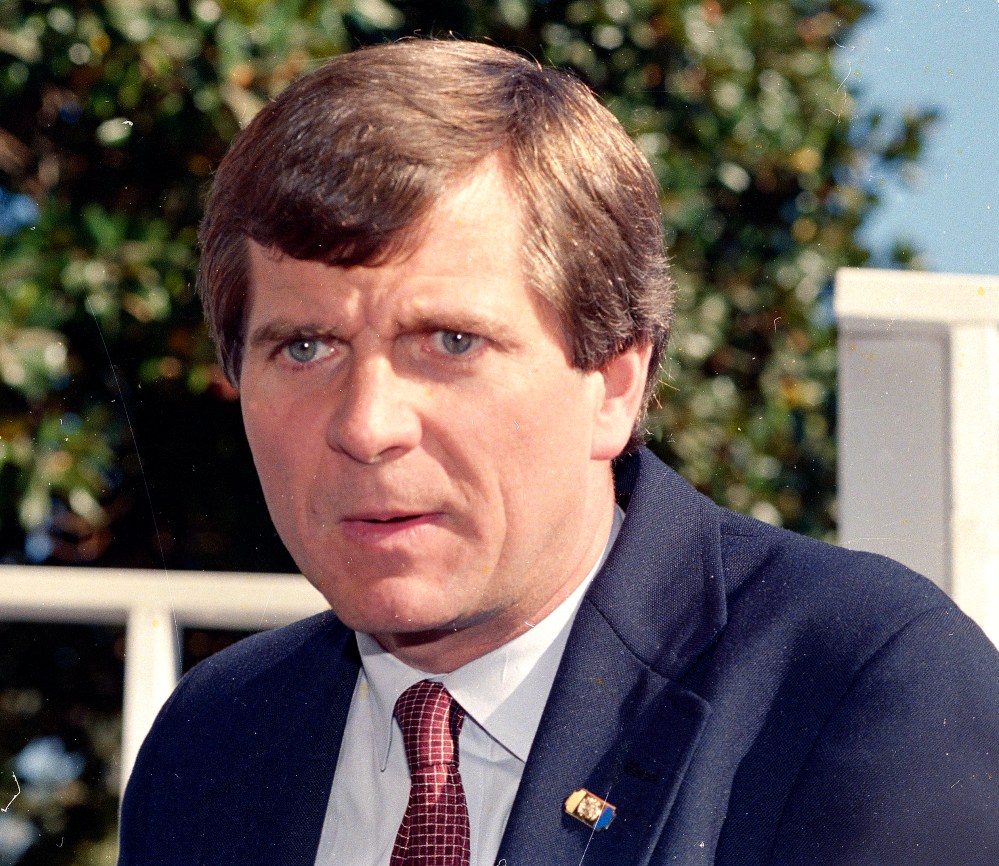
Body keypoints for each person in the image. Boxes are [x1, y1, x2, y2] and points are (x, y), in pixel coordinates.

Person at [117, 39, 998, 866]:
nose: (367, 423)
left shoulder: (857, 688)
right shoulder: (213, 743)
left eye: (450, 341)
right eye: (304, 347)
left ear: (614, 384)